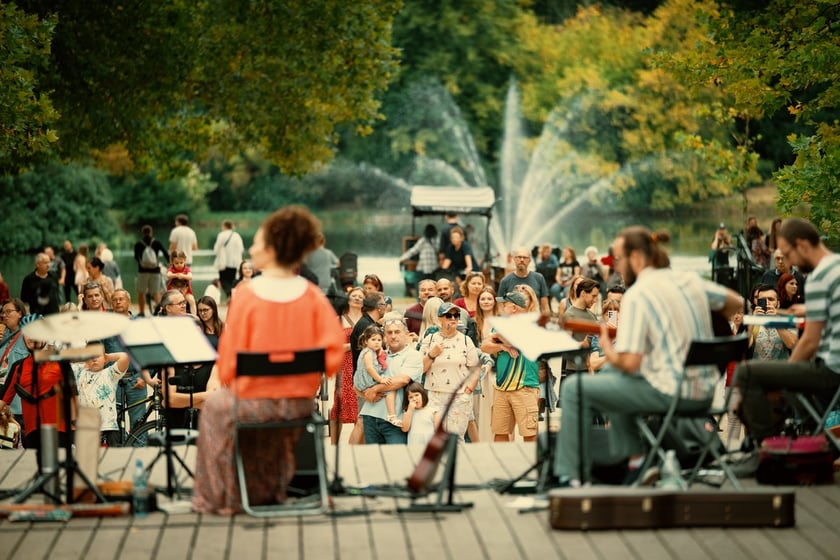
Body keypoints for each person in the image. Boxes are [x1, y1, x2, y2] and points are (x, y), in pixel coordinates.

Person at [552, 226, 743, 487]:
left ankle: (569, 478)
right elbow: (736, 303)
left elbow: (630, 362)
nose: (616, 267)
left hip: (672, 392)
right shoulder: (689, 281)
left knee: (575, 388)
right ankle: (636, 461)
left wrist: (608, 351)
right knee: (610, 374)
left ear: (638, 257)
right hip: (706, 392)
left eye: (619, 259)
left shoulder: (639, 295)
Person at [192, 206, 344, 514]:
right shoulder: (313, 295)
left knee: (214, 408)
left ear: (273, 249)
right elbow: (332, 357)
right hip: (299, 403)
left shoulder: (246, 296)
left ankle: (217, 497)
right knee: (264, 425)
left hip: (252, 403)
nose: (250, 248)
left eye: (257, 243)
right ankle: (263, 490)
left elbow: (230, 363)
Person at [734, 217, 840, 448]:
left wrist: (786, 373)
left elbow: (810, 342)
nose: (786, 262)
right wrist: (810, 308)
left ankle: (765, 448)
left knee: (746, 373)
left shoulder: (818, 278)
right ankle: (813, 436)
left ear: (802, 245)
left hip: (831, 370)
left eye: (788, 254)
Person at [480, 291, 541, 443]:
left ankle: (532, 464)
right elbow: (485, 346)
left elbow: (509, 337)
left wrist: (498, 339)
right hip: (502, 388)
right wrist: (502, 348)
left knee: (529, 434)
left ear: (513, 308)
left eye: (505, 305)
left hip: (524, 387)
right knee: (500, 432)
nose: (502, 308)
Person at [420, 302, 480, 442]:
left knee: (455, 439)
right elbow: (420, 369)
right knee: (434, 437)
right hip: (435, 395)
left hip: (459, 396)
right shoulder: (430, 340)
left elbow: (475, 369)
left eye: (456, 315)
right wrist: (432, 354)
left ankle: (458, 464)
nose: (453, 318)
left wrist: (469, 390)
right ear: (440, 318)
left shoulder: (466, 340)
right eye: (448, 315)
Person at [358, 315, 423, 445]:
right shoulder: (375, 355)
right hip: (371, 416)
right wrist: (364, 394)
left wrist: (375, 389)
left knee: (397, 461)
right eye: (389, 332)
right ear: (384, 336)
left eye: (397, 332)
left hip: (396, 421)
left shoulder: (413, 355)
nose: (393, 336)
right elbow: (359, 379)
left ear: (406, 333)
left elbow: (402, 380)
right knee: (374, 461)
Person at [72, 348, 131, 446]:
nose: (94, 360)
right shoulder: (79, 372)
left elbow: (125, 357)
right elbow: (62, 360)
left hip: (109, 426)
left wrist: (109, 357)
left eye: (97, 356)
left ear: (104, 358)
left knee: (113, 458)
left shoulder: (110, 373)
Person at [331, 286, 365, 446]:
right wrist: (355, 344)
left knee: (359, 406)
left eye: (360, 296)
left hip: (363, 363)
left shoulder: (367, 319)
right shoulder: (339, 319)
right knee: (340, 404)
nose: (357, 298)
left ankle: (357, 446)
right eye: (354, 295)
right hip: (344, 365)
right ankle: (334, 445)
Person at [353, 325, 400, 426]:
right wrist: (381, 379)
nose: (377, 342)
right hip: (366, 383)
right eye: (373, 339)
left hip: (366, 382)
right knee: (390, 389)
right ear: (366, 341)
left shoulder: (373, 352)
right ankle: (392, 415)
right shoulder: (368, 352)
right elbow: (370, 368)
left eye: (379, 340)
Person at [497, 247, 550, 315]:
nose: (522, 260)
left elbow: (545, 306)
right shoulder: (505, 281)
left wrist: (544, 322)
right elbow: (499, 306)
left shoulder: (539, 278)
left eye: (525, 258)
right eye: (519, 257)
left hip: (534, 319)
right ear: (514, 259)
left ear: (530, 260)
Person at [134, 225, 169, 317]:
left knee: (141, 292)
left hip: (142, 271)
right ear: (151, 232)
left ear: (142, 232)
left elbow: (136, 257)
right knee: (156, 292)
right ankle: (160, 312)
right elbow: (166, 253)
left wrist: (142, 264)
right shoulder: (156, 242)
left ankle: (141, 312)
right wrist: (170, 265)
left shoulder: (138, 244)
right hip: (155, 271)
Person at [213, 219, 246, 300]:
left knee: (223, 279)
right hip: (234, 262)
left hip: (223, 262)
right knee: (232, 280)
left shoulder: (221, 235)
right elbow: (241, 249)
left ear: (224, 226)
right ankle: (232, 296)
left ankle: (229, 294)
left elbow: (216, 249)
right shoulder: (237, 235)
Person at [399, 224, 439, 289]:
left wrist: (402, 258)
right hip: (434, 268)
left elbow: (413, 251)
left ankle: (419, 298)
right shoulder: (436, 241)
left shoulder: (423, 240)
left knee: (419, 285)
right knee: (433, 287)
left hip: (423, 267)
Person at [401, 382, 439, 446]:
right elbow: (404, 429)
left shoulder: (433, 411)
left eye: (416, 395)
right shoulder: (407, 412)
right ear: (408, 400)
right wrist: (410, 410)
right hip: (414, 444)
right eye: (411, 397)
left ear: (423, 395)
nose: (414, 399)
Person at [167, 250, 196, 314]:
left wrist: (183, 276)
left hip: (186, 291)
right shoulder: (172, 268)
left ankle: (194, 316)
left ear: (184, 260)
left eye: (181, 262)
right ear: (172, 262)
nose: (179, 265)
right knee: (169, 302)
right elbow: (168, 275)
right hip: (173, 292)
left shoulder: (186, 269)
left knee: (192, 300)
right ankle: (169, 315)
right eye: (176, 263)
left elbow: (190, 276)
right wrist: (175, 275)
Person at [60, 240, 77, 304]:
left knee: (78, 292)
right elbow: (62, 267)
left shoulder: (76, 254)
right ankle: (68, 306)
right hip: (66, 277)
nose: (67, 247)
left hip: (75, 276)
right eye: (65, 246)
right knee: (67, 294)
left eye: (68, 245)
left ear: (71, 245)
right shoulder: (63, 256)